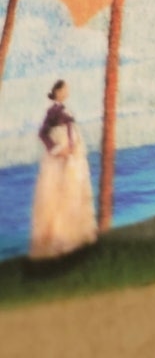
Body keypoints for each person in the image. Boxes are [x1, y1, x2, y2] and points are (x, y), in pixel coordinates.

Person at [29, 79, 97, 260]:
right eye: (65, 89)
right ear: (58, 92)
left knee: (74, 192)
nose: (67, 91)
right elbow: (43, 133)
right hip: (60, 158)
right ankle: (60, 240)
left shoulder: (65, 109)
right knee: (61, 195)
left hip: (73, 157)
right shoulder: (52, 111)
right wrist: (58, 149)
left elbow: (70, 130)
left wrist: (73, 147)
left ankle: (78, 236)